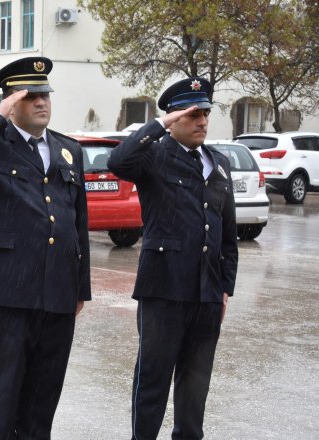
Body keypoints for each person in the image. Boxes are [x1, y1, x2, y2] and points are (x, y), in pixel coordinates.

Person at [0, 57, 91, 438]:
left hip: (58, 289)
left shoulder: (68, 149)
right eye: (31, 96)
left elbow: (79, 223)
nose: (42, 102)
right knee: (4, 393)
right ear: (11, 101)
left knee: (45, 395)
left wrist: (81, 287)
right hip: (7, 288)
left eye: (46, 95)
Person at [107, 77, 238, 440]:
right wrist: (159, 124)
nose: (202, 121)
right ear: (175, 116)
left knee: (196, 386)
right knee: (152, 379)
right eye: (193, 114)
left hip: (206, 293)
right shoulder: (154, 155)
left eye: (205, 113)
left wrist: (224, 288)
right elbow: (118, 160)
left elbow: (228, 232)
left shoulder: (219, 162)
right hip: (163, 289)